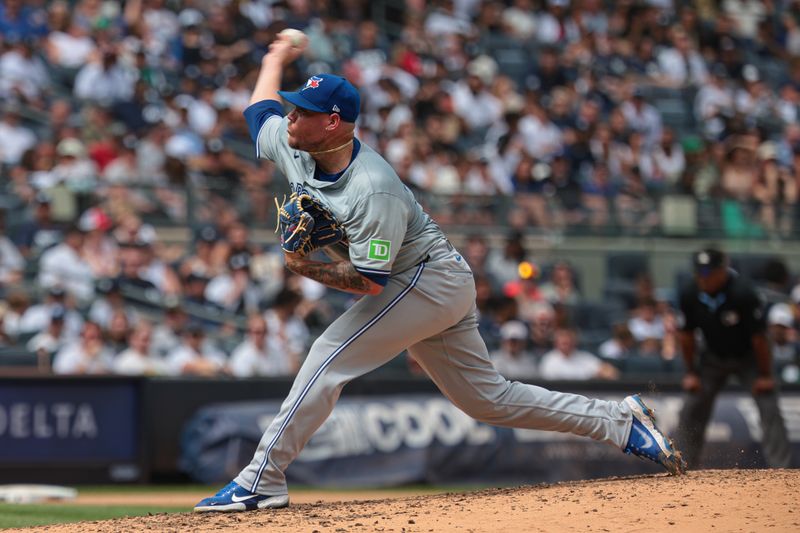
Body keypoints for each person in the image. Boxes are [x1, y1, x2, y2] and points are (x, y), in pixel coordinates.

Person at [194, 33, 686, 513]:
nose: (290, 116)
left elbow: (369, 281)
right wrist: (276, 57)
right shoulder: (297, 142)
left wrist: (304, 264)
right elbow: (258, 111)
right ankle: (620, 422)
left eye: (301, 111)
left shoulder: (373, 188)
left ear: (334, 122)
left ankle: (261, 479)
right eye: (294, 108)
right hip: (432, 281)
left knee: (328, 356)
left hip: (426, 279)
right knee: (488, 400)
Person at [675, 248, 792, 469]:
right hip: (712, 357)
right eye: (699, 273)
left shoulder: (743, 292)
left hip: (748, 357)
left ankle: (781, 470)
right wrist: (691, 372)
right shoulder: (690, 293)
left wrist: (765, 375)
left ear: (722, 271)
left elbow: (760, 339)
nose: (704, 278)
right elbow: (687, 336)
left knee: (768, 404)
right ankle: (682, 466)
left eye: (709, 273)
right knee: (692, 406)